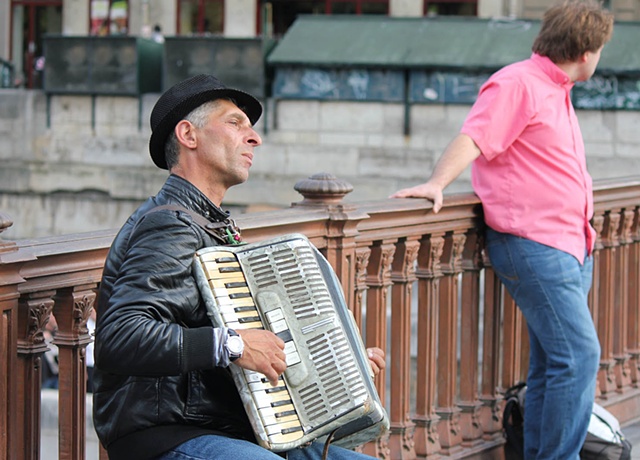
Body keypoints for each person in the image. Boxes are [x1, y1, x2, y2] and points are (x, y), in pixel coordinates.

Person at [93, 74, 386, 460]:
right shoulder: (168, 224)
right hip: (169, 434)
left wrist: (336, 363)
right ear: (188, 135)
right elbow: (121, 336)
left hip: (235, 428)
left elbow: (255, 340)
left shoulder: (210, 225)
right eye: (235, 123)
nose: (254, 138)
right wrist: (231, 344)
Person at [391, 1, 613, 459]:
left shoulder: (556, 89)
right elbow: (474, 135)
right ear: (588, 50)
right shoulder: (518, 82)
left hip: (568, 245)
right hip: (534, 245)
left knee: (555, 363)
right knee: (580, 356)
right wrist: (437, 182)